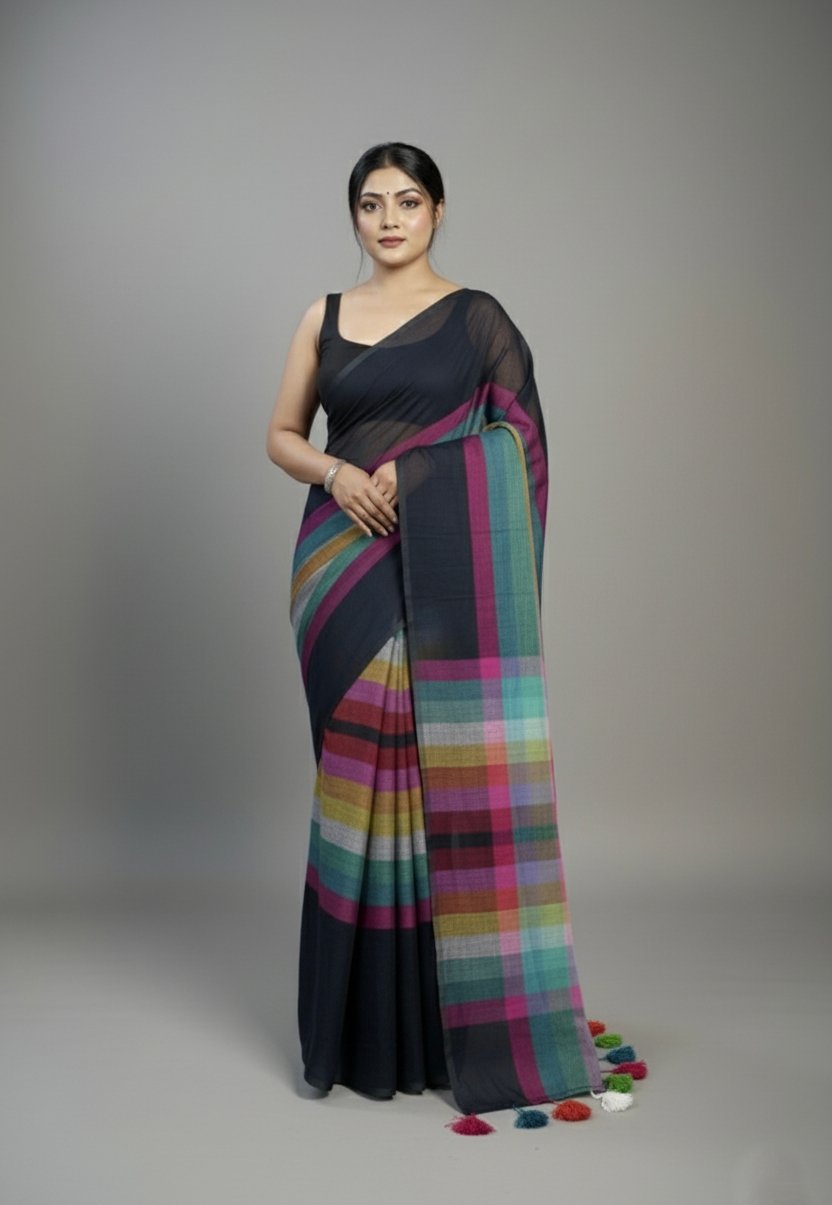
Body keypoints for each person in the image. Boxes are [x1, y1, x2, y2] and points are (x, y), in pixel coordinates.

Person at [266, 142, 603, 1115]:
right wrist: (338, 473)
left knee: (429, 775)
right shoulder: (323, 317)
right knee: (355, 784)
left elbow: (520, 444)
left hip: (438, 564)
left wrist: (418, 480)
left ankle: (440, 1022)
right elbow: (282, 435)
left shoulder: (477, 318)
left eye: (407, 202)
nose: (388, 220)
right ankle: (356, 1031)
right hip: (337, 569)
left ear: (438, 211)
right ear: (354, 217)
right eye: (371, 204)